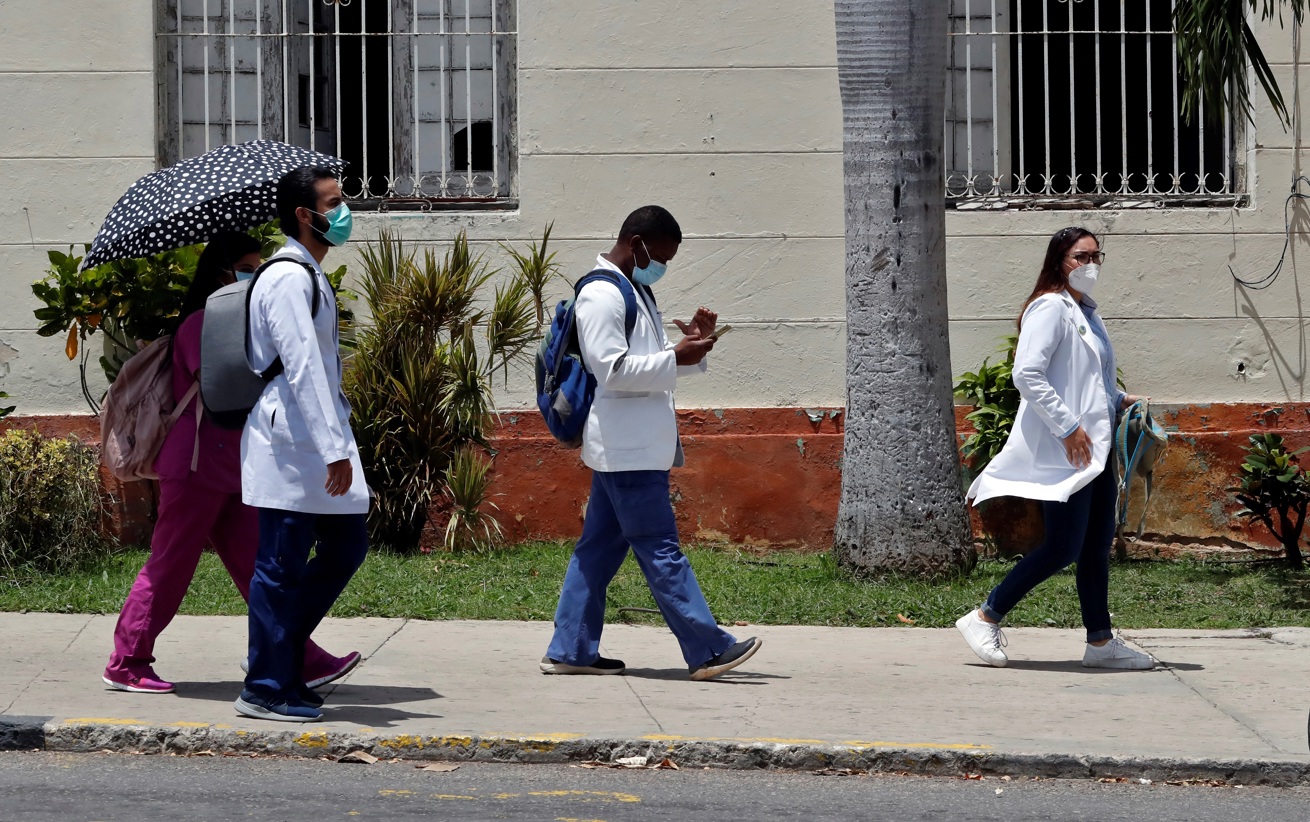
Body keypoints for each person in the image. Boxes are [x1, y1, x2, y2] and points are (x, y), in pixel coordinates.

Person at [103, 231, 360, 694]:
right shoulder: (202, 323)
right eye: (246, 266)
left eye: (258, 266)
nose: (254, 275)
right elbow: (224, 389)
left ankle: (298, 655)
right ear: (221, 273)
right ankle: (127, 660)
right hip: (198, 465)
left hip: (235, 467)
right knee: (171, 564)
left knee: (258, 567)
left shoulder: (240, 319)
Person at [541, 205, 763, 681]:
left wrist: (691, 348)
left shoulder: (633, 290)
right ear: (636, 242)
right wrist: (675, 358)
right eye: (659, 255)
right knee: (660, 548)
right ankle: (708, 648)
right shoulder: (602, 295)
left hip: (632, 444)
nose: (661, 265)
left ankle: (570, 650)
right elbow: (612, 370)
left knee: (597, 550)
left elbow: (643, 362)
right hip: (627, 450)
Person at [957, 226, 1155, 671]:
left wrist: (1119, 400)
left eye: (1095, 257)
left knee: (1095, 544)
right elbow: (1027, 374)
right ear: (1058, 262)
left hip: (1096, 447)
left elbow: (1087, 380)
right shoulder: (1049, 307)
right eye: (1079, 258)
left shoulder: (1087, 313)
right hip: (1071, 448)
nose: (1088, 266)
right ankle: (984, 615)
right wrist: (1068, 428)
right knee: (1064, 546)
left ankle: (1100, 644)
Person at [234, 167, 370, 722]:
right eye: (333, 203)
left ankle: (284, 658)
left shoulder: (307, 274)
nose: (343, 213)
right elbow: (304, 369)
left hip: (310, 440)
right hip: (293, 442)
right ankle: (265, 685)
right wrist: (335, 447)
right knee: (280, 565)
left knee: (346, 545)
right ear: (304, 215)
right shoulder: (289, 277)